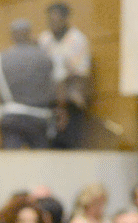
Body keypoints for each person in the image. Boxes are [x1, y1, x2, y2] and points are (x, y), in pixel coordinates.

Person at [0, 19, 55, 149]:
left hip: (11, 118)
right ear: (30, 34)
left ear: (12, 36)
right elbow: (56, 86)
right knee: (41, 157)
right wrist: (61, 109)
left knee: (12, 157)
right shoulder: (45, 58)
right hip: (39, 117)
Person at [39, 2, 90, 149]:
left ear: (65, 19)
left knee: (68, 144)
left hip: (70, 101)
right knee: (49, 145)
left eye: (57, 20)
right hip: (49, 102)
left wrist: (60, 83)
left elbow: (81, 73)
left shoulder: (77, 39)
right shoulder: (44, 39)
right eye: (50, 20)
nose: (53, 23)